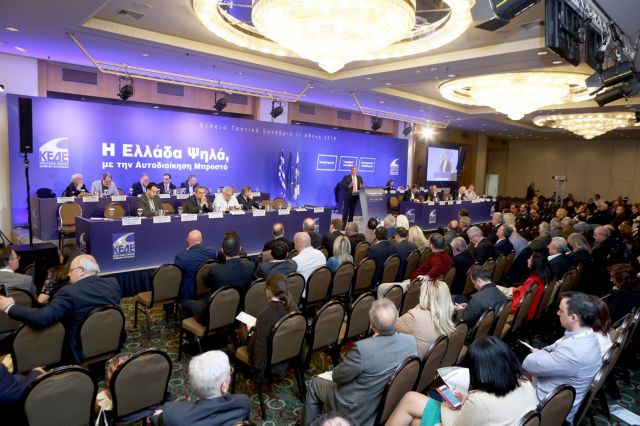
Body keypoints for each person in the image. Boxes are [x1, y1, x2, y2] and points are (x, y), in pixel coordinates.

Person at [302, 298, 417, 426]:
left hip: (356, 407)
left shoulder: (363, 349)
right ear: (397, 318)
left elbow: (338, 376)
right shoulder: (411, 341)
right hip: (386, 403)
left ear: (372, 324)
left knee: (315, 383)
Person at [387, 337, 537, 426]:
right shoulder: (525, 383)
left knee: (413, 415)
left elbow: (454, 424)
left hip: (461, 420)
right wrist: (464, 401)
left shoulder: (479, 401)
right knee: (411, 401)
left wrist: (451, 402)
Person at [0, 254, 121, 363]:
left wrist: (9, 307)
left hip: (78, 349)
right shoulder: (112, 284)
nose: (68, 274)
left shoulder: (69, 292)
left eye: (71, 271)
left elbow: (42, 318)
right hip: (110, 340)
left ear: (82, 271)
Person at [523, 292, 602, 423]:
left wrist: (542, 353)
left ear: (573, 317)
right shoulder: (586, 336)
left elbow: (528, 364)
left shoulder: (575, 351)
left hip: (543, 409)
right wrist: (546, 353)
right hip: (555, 398)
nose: (557, 313)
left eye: (561, 310)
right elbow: (549, 349)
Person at [155, 351, 250, 426]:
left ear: (191, 384)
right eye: (230, 372)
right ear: (224, 386)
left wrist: (161, 415)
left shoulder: (173, 414)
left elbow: (153, 419)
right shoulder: (242, 403)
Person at [247, 274, 299, 386]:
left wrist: (253, 330)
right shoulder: (293, 306)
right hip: (288, 353)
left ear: (269, 290)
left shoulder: (265, 314)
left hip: (270, 361)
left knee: (246, 329)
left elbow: (260, 350)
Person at [396, 279, 456, 358]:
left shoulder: (414, 316)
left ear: (424, 296)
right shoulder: (446, 316)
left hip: (405, 362)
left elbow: (387, 328)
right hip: (428, 362)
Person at [502, 253, 550, 320]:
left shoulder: (533, 281)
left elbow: (518, 304)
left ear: (535, 264)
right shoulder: (543, 278)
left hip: (522, 313)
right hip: (533, 311)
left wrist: (504, 307)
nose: (527, 260)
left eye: (530, 260)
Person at [174, 230, 217, 301]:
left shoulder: (181, 257)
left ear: (187, 241)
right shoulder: (211, 252)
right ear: (201, 240)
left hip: (189, 296)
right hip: (207, 293)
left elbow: (176, 277)